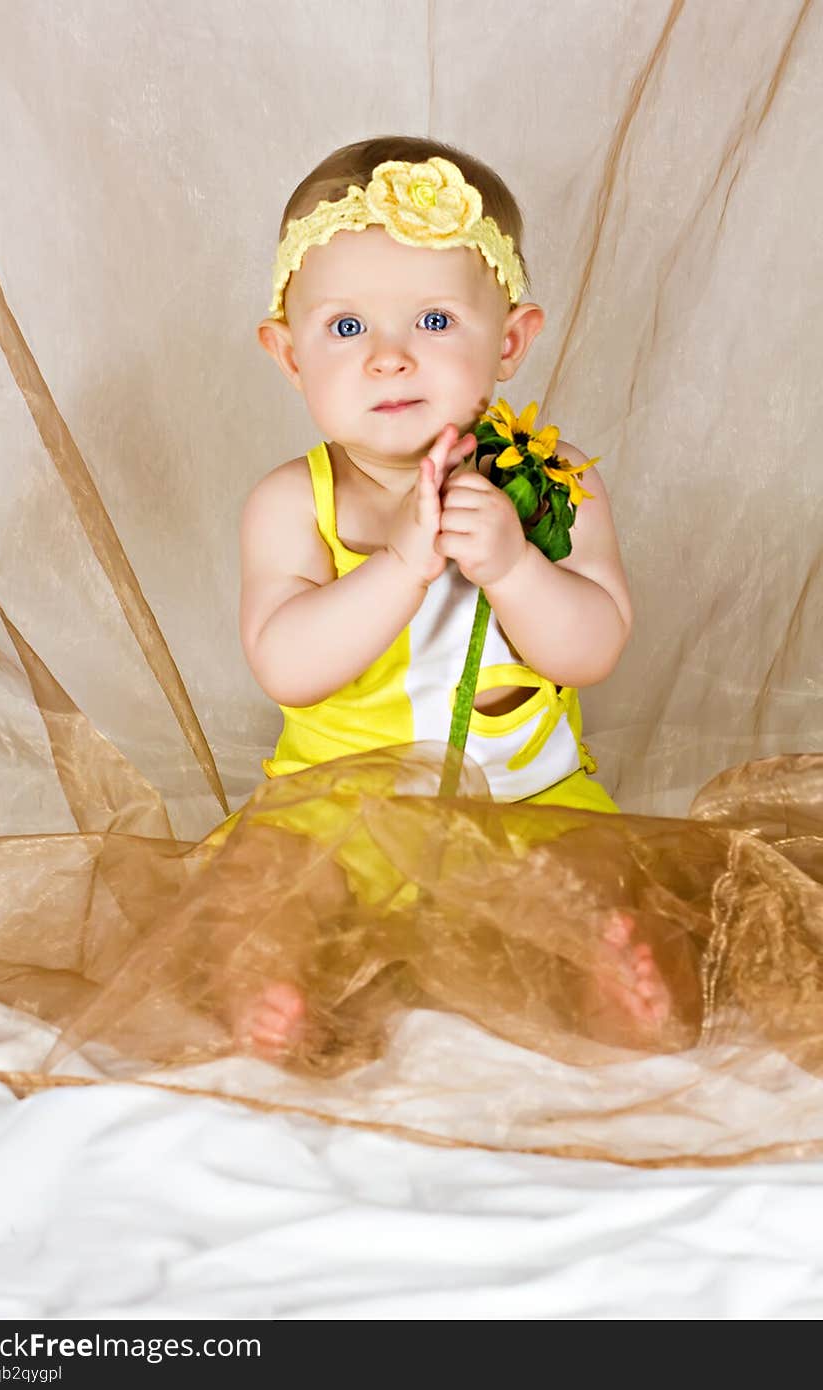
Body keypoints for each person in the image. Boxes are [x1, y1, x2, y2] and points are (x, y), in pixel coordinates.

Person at [193, 136, 680, 1063]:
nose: (388, 360)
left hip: (531, 797)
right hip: (336, 810)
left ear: (511, 339)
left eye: (432, 322)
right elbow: (287, 667)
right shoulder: (292, 502)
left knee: (603, 876)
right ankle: (275, 987)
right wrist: (401, 564)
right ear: (287, 355)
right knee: (257, 885)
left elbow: (592, 647)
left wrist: (517, 568)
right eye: (345, 330)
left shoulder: (555, 481)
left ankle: (610, 974)